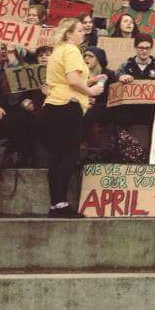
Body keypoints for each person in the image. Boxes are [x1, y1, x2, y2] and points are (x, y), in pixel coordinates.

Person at [41, 18, 105, 217]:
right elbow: (72, 80)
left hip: (53, 106)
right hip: (67, 107)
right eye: (78, 30)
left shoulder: (58, 51)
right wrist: (92, 90)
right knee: (68, 155)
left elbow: (66, 79)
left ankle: (55, 203)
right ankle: (61, 203)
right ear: (68, 34)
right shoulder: (71, 50)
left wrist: (91, 79)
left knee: (57, 157)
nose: (83, 33)